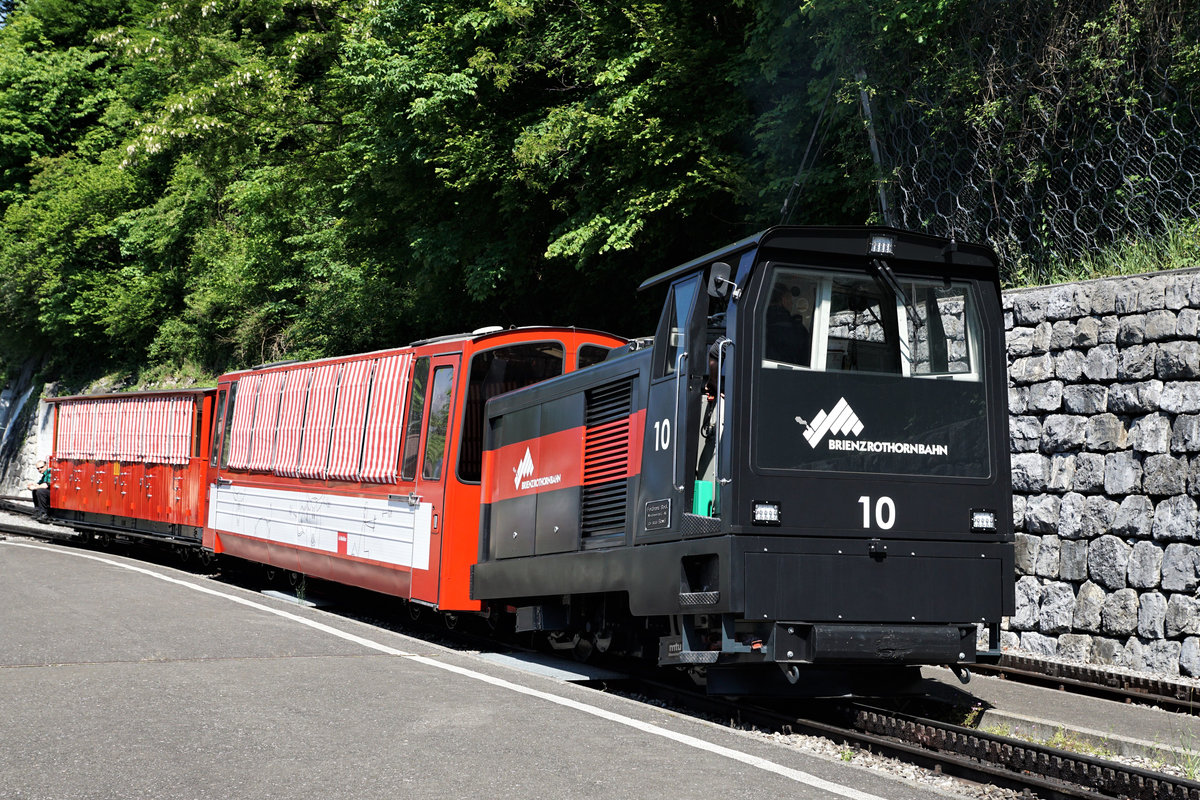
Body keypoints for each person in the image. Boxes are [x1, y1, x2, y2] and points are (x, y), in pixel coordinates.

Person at [764, 283, 812, 366]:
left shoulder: (758, 321)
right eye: (790, 299)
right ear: (784, 300)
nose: (792, 303)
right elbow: (807, 358)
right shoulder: (797, 329)